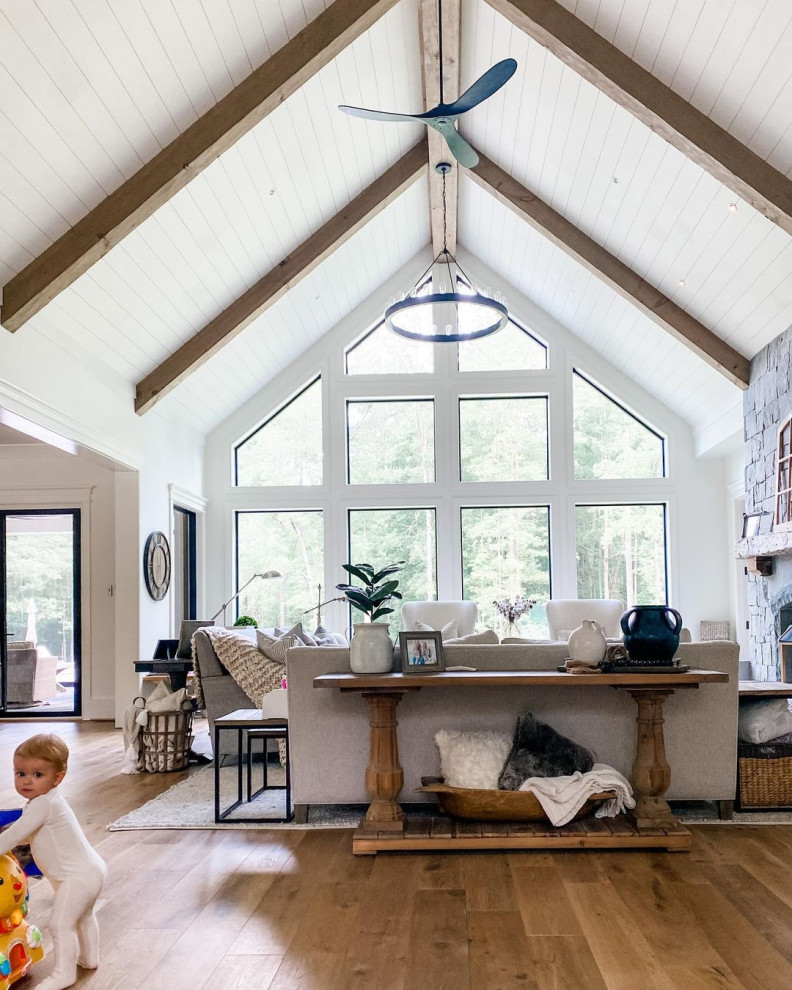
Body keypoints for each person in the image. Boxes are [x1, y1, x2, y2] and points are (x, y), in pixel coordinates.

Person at [0, 734, 107, 990]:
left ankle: (64, 974)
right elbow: (26, 834)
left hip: (76, 878)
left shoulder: (42, 805)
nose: (26, 781)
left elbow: (15, 836)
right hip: (92, 871)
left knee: (60, 924)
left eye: (38, 775)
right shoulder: (48, 801)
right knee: (84, 916)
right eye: (20, 773)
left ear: (58, 777)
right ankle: (89, 958)